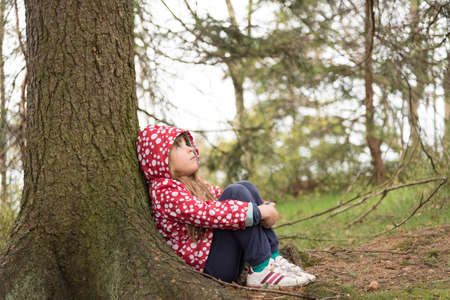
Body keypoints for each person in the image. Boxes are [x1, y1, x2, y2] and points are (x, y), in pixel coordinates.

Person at [136, 124, 316, 288]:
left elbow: (224, 198)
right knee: (236, 192)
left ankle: (273, 259)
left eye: (187, 143)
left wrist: (262, 208)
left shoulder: (192, 184)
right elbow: (204, 213)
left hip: (221, 259)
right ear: (159, 159)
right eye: (178, 146)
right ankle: (262, 269)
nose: (190, 148)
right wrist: (258, 212)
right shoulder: (164, 190)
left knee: (244, 187)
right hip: (210, 268)